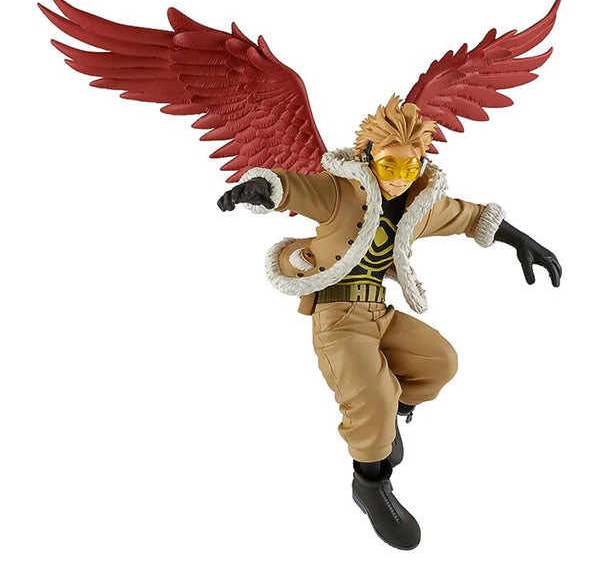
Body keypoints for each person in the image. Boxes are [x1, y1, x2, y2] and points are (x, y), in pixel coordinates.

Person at [217, 96, 561, 549]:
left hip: (378, 311)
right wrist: (264, 187)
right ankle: (370, 483)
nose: (399, 178)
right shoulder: (339, 192)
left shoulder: (418, 206)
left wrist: (523, 241)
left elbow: (469, 216)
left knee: (439, 361)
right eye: (388, 166)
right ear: (368, 159)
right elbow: (294, 188)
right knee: (371, 401)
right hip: (338, 318)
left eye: (409, 167)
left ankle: (390, 418)